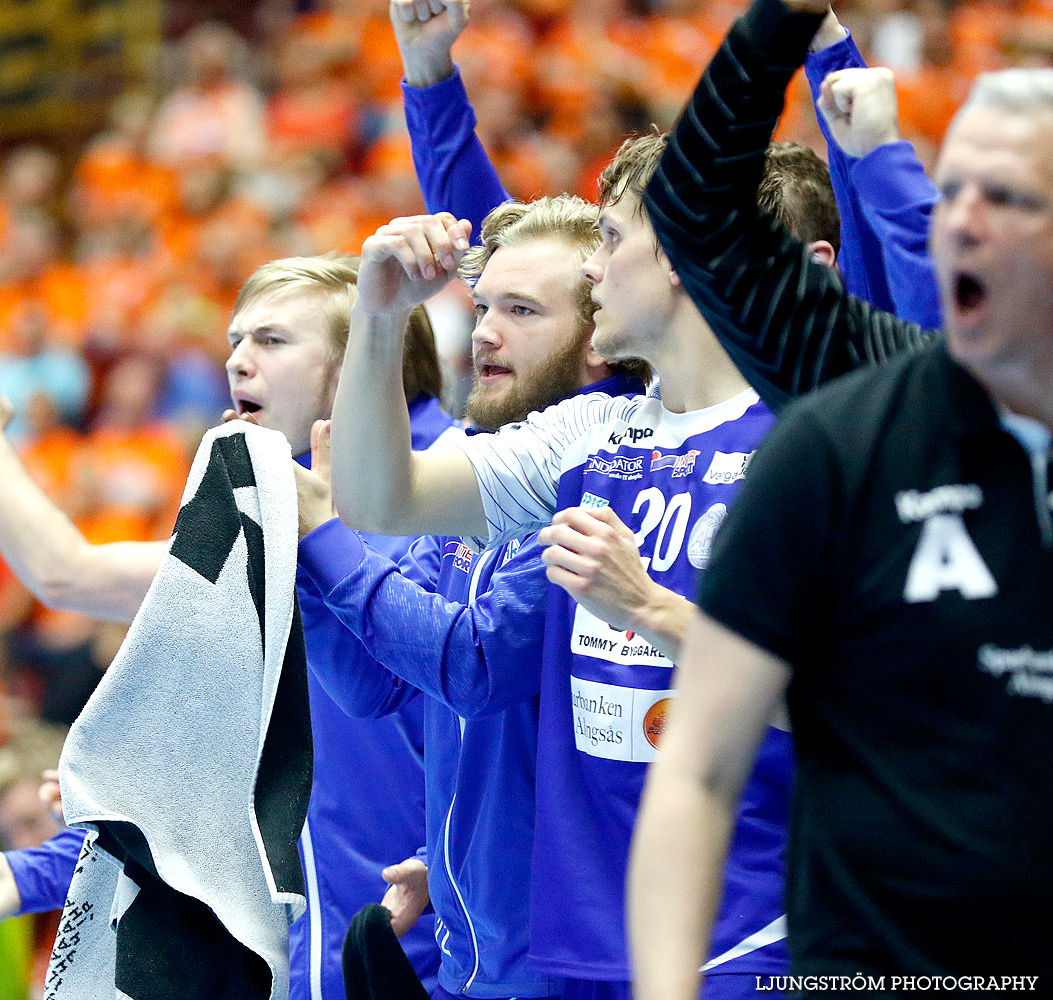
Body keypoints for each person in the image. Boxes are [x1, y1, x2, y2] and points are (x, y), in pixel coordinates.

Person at [326, 119, 842, 991]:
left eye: (610, 238)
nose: (593, 267)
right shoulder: (593, 432)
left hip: (755, 942)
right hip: (588, 939)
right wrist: (380, 320)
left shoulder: (825, 441)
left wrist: (650, 610)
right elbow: (379, 498)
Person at [0, 254, 451, 1000]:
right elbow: (217, 788)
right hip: (317, 961)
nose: (237, 361)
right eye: (235, 341)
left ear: (359, 367)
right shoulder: (269, 522)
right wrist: (35, 872)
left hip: (435, 963)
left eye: (272, 342)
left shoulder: (448, 505)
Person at [624, 0, 1052, 988]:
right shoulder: (852, 413)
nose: (966, 221)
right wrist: (783, 22)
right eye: (955, 194)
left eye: (1010, 197)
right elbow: (695, 212)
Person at [296, 194, 648, 1000]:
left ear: (602, 336)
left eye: (521, 310)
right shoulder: (482, 460)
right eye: (482, 304)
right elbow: (374, 684)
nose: (483, 330)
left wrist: (325, 534)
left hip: (580, 961)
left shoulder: (622, 467)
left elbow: (474, 664)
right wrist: (305, 563)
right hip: (473, 941)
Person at [390, 0, 940, 328]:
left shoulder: (841, 381)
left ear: (806, 267)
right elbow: (499, 253)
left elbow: (884, 264)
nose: (592, 266)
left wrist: (824, 44)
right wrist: (428, 70)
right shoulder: (628, 390)